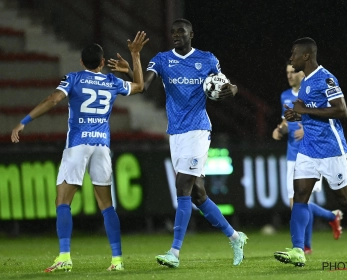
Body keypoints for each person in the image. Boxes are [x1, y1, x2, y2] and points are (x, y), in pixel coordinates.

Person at [107, 18, 248, 268]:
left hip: (198, 130)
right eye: (172, 32)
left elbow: (226, 85)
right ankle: (236, 237)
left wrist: (233, 90)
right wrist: (134, 61)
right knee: (198, 194)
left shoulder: (207, 59)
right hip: (176, 133)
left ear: (191, 34)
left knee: (182, 187)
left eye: (180, 32)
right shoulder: (162, 60)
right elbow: (142, 85)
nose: (175, 35)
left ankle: (174, 252)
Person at [11, 31, 149, 272]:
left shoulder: (73, 78)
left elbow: (53, 99)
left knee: (63, 200)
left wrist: (24, 121)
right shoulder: (111, 81)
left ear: (82, 62)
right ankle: (117, 261)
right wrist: (134, 57)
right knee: (106, 205)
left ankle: (64, 256)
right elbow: (139, 86)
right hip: (102, 146)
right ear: (103, 62)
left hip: (78, 144)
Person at [273, 37, 347, 267]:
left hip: (330, 148)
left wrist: (304, 110)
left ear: (306, 56)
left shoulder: (326, 78)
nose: (291, 58)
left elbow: (341, 110)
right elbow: (308, 112)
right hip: (307, 150)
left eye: (294, 54)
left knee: (344, 198)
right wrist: (298, 116)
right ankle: (298, 249)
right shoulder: (304, 83)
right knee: (300, 198)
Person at [272, 62, 343, 254]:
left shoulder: (311, 91)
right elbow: (286, 121)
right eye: (286, 72)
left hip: (312, 152)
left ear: (301, 74)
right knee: (297, 203)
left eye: (292, 72)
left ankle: (306, 246)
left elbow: (328, 116)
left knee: (300, 201)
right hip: (292, 154)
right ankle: (331, 217)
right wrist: (280, 130)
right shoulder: (285, 96)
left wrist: (307, 129)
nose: (289, 76)